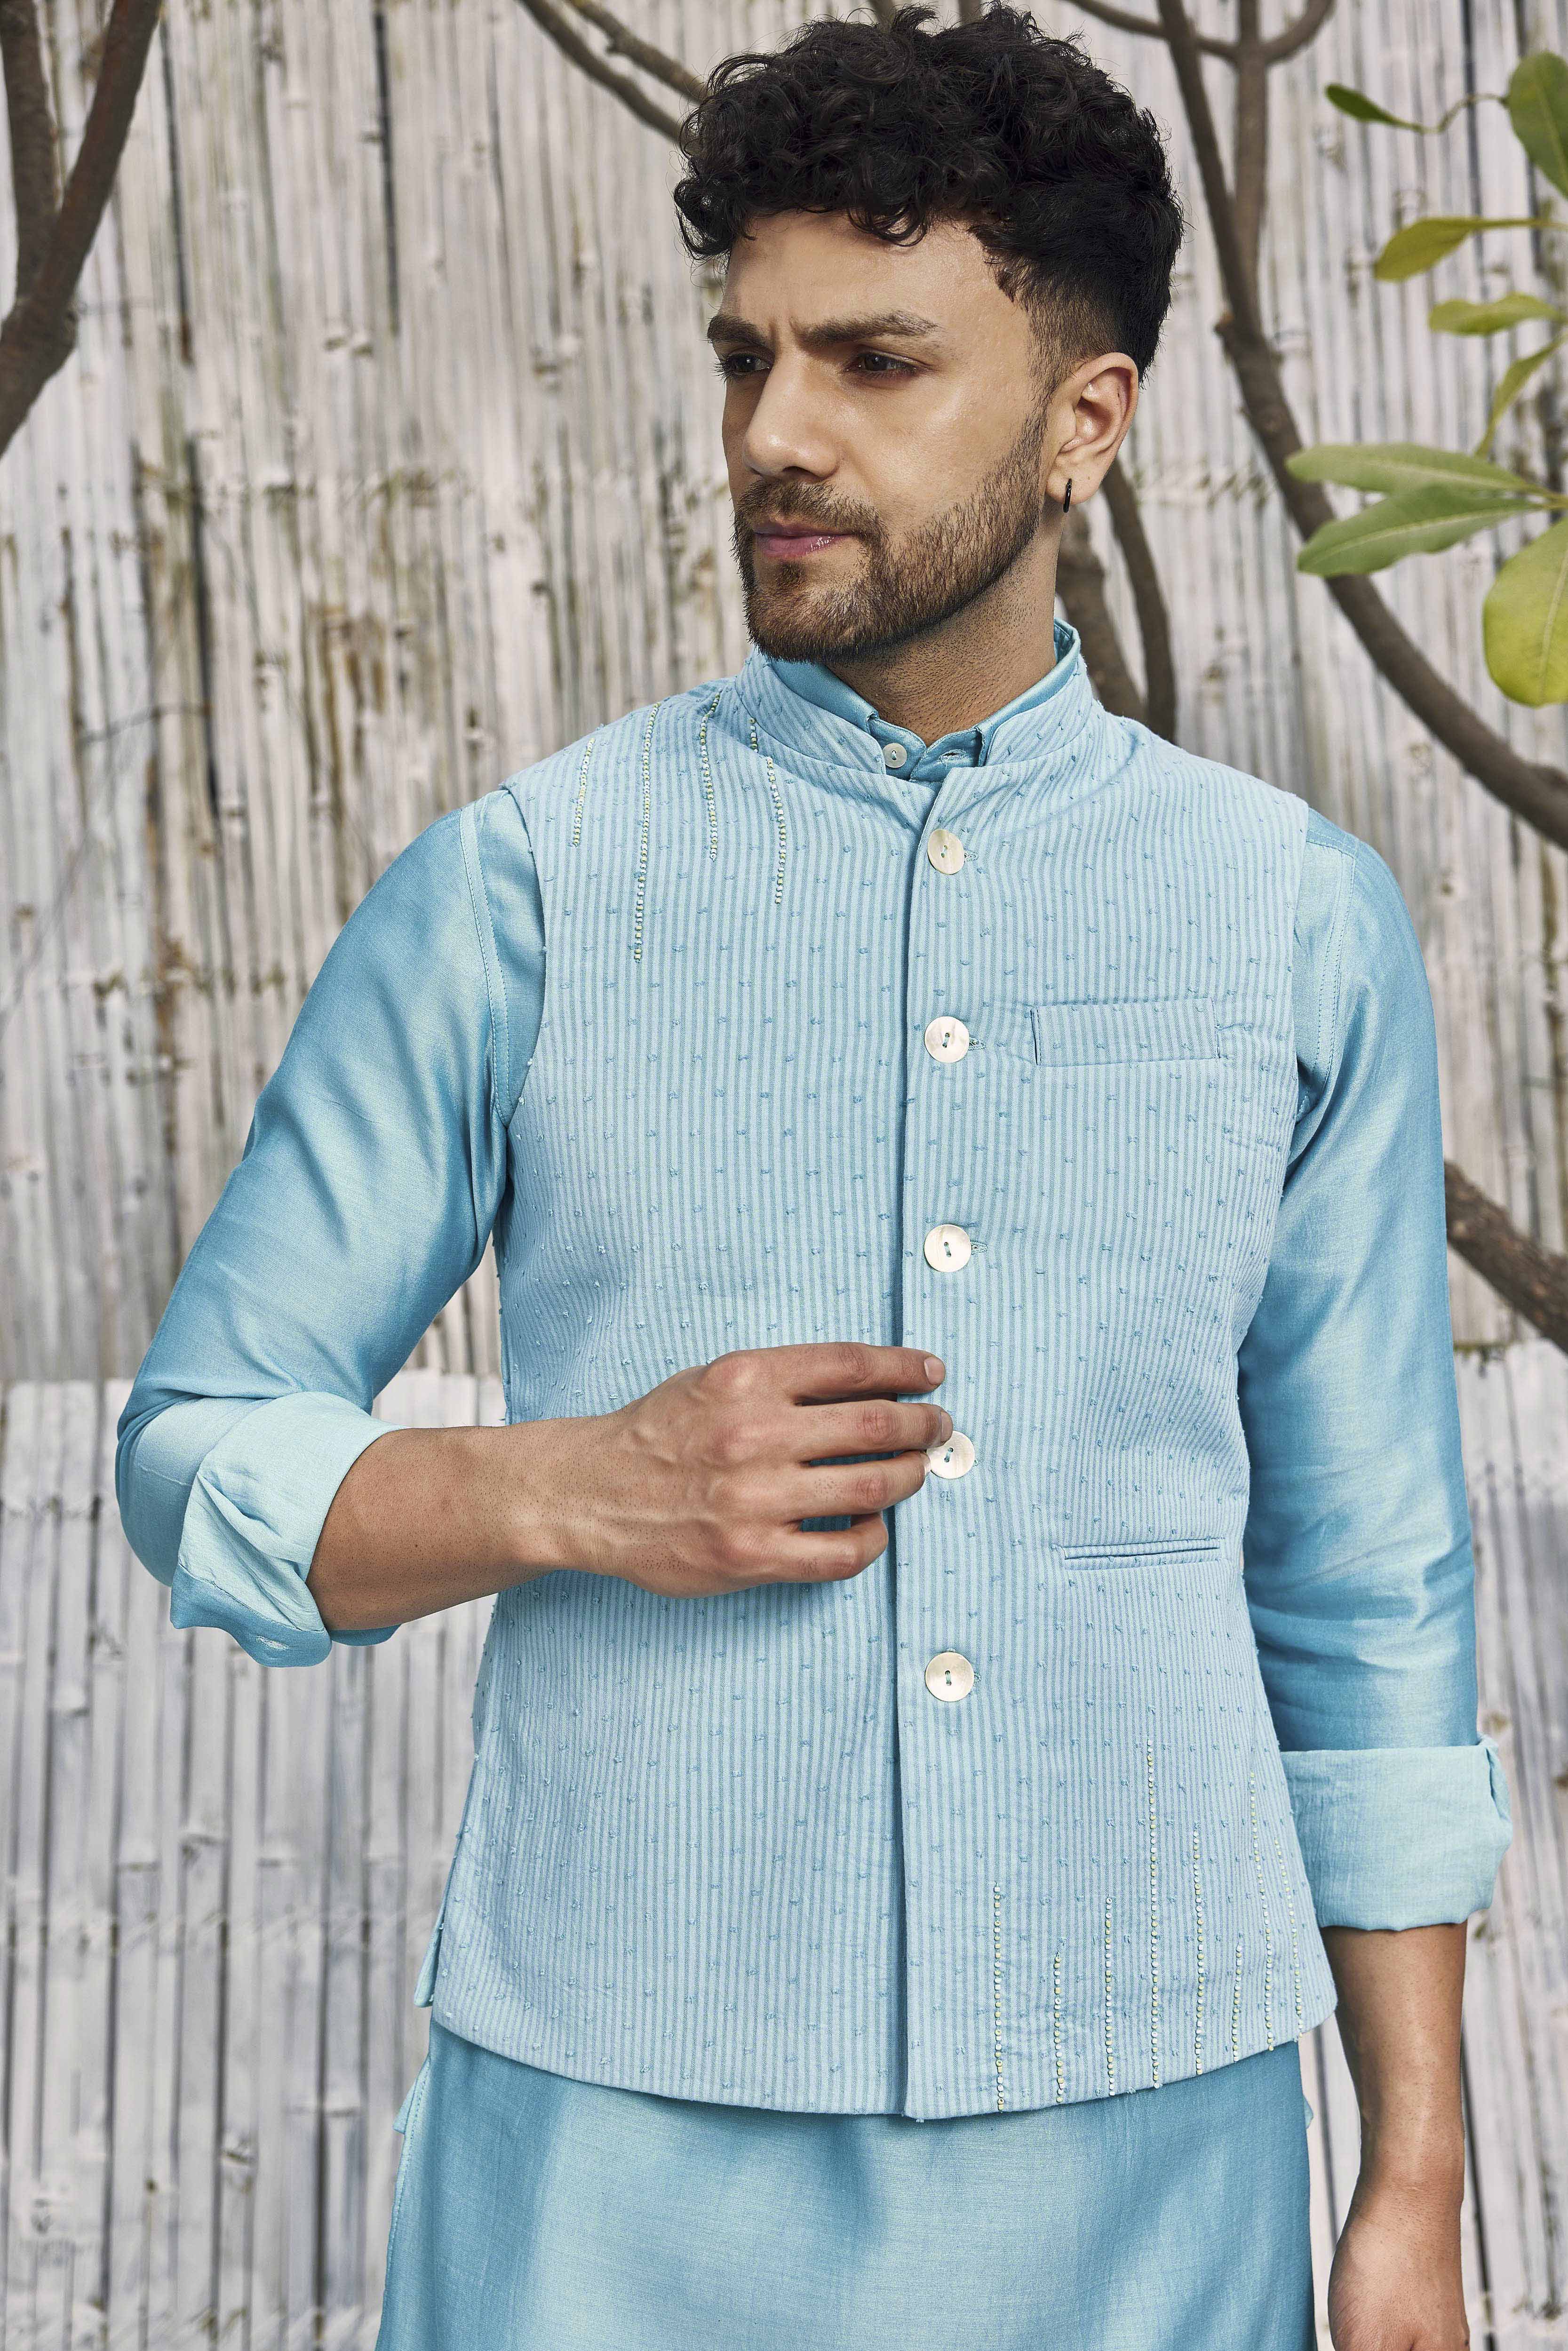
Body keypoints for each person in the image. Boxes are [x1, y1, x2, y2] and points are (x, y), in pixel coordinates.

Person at [115, 8, 1512, 2347]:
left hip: (1150, 2148)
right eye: (746, 358)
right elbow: (192, 1457)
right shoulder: (518, 893)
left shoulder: (1290, 923)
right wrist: (572, 1484)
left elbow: (1367, 1588)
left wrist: (1415, 2175)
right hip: (603, 2150)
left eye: (875, 361)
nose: (777, 431)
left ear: (1086, 418)